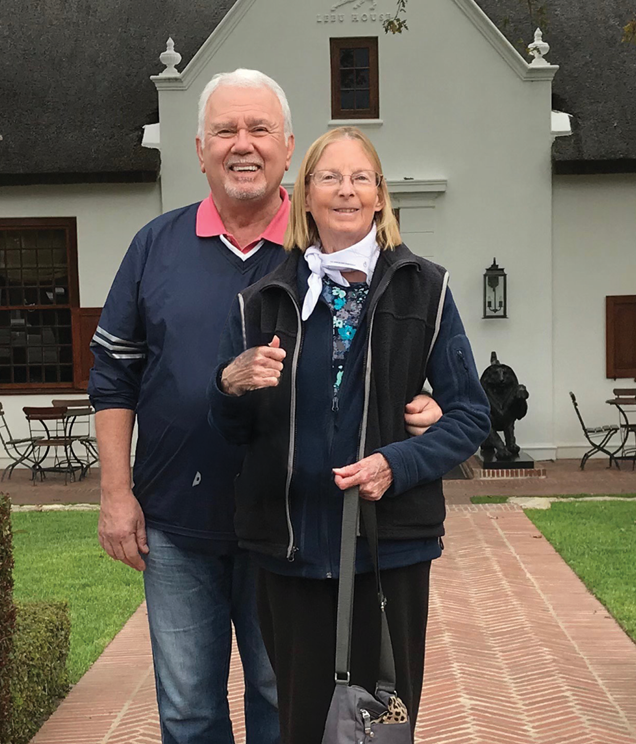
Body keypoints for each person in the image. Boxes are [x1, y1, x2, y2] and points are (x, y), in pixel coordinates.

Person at [88, 71, 443, 744]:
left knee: (286, 703)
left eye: (258, 131)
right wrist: (115, 494)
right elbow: (112, 374)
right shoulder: (153, 247)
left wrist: (422, 403)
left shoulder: (325, 250)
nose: (242, 146)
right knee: (188, 710)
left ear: (288, 149)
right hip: (177, 523)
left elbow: (394, 344)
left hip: (292, 527)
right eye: (225, 131)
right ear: (199, 150)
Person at [208, 126, 492, 744]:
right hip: (289, 548)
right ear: (305, 196)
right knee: (304, 726)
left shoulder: (427, 289)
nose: (346, 191)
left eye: (360, 178)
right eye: (330, 178)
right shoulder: (262, 301)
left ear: (380, 196)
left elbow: (471, 416)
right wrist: (228, 384)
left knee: (383, 726)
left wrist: (398, 462)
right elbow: (232, 433)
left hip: (390, 552)